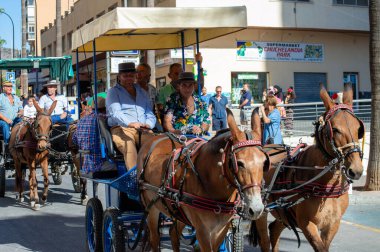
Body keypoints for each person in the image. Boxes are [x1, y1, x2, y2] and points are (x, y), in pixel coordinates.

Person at [107, 62, 156, 170]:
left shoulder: (143, 92)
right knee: (129, 146)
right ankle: (135, 178)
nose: (129, 79)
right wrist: (130, 123)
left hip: (142, 129)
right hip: (121, 128)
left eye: (131, 76)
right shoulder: (113, 92)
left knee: (156, 144)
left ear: (135, 76)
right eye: (125, 76)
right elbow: (116, 113)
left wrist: (148, 124)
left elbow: (149, 112)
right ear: (119, 77)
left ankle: (154, 175)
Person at [72, 96, 115, 175]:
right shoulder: (105, 119)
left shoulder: (81, 120)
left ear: (91, 108)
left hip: (85, 164)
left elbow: (74, 139)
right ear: (105, 108)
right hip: (99, 165)